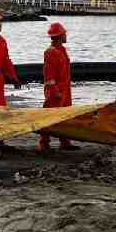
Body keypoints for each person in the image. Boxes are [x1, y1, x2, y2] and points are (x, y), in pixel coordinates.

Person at [38, 22, 78, 152]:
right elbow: (48, 75)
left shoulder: (62, 50)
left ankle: (64, 141)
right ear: (60, 35)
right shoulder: (50, 52)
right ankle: (44, 143)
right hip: (55, 90)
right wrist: (55, 91)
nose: (66, 36)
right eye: (64, 34)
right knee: (49, 117)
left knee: (65, 115)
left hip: (65, 88)